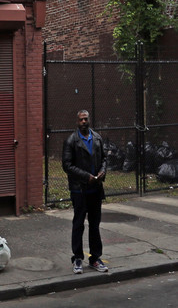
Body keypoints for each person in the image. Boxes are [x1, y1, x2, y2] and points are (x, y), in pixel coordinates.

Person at [61, 109, 108, 274]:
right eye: (81, 120)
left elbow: (104, 159)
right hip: (79, 190)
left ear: (89, 120)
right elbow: (67, 165)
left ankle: (95, 258)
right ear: (77, 121)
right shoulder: (71, 141)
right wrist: (85, 176)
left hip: (95, 189)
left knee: (95, 225)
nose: (83, 122)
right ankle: (78, 258)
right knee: (78, 225)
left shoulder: (97, 138)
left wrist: (102, 172)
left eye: (86, 119)